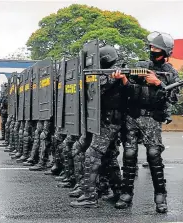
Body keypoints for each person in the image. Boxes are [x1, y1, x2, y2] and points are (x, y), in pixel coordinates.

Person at [113, 32, 180, 213]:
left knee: (153, 155)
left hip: (152, 118)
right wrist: (124, 80)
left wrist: (158, 83)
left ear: (165, 52)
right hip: (133, 116)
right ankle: (126, 194)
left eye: (156, 48)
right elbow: (129, 91)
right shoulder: (141, 66)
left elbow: (174, 98)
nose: (152, 50)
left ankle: (160, 197)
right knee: (129, 154)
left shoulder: (171, 73)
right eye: (151, 47)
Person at [70, 45, 125, 208]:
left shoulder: (115, 71)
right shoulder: (110, 71)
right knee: (108, 158)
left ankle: (90, 196)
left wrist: (90, 76)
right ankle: (117, 191)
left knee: (91, 155)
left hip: (110, 121)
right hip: (102, 121)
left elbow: (97, 85)